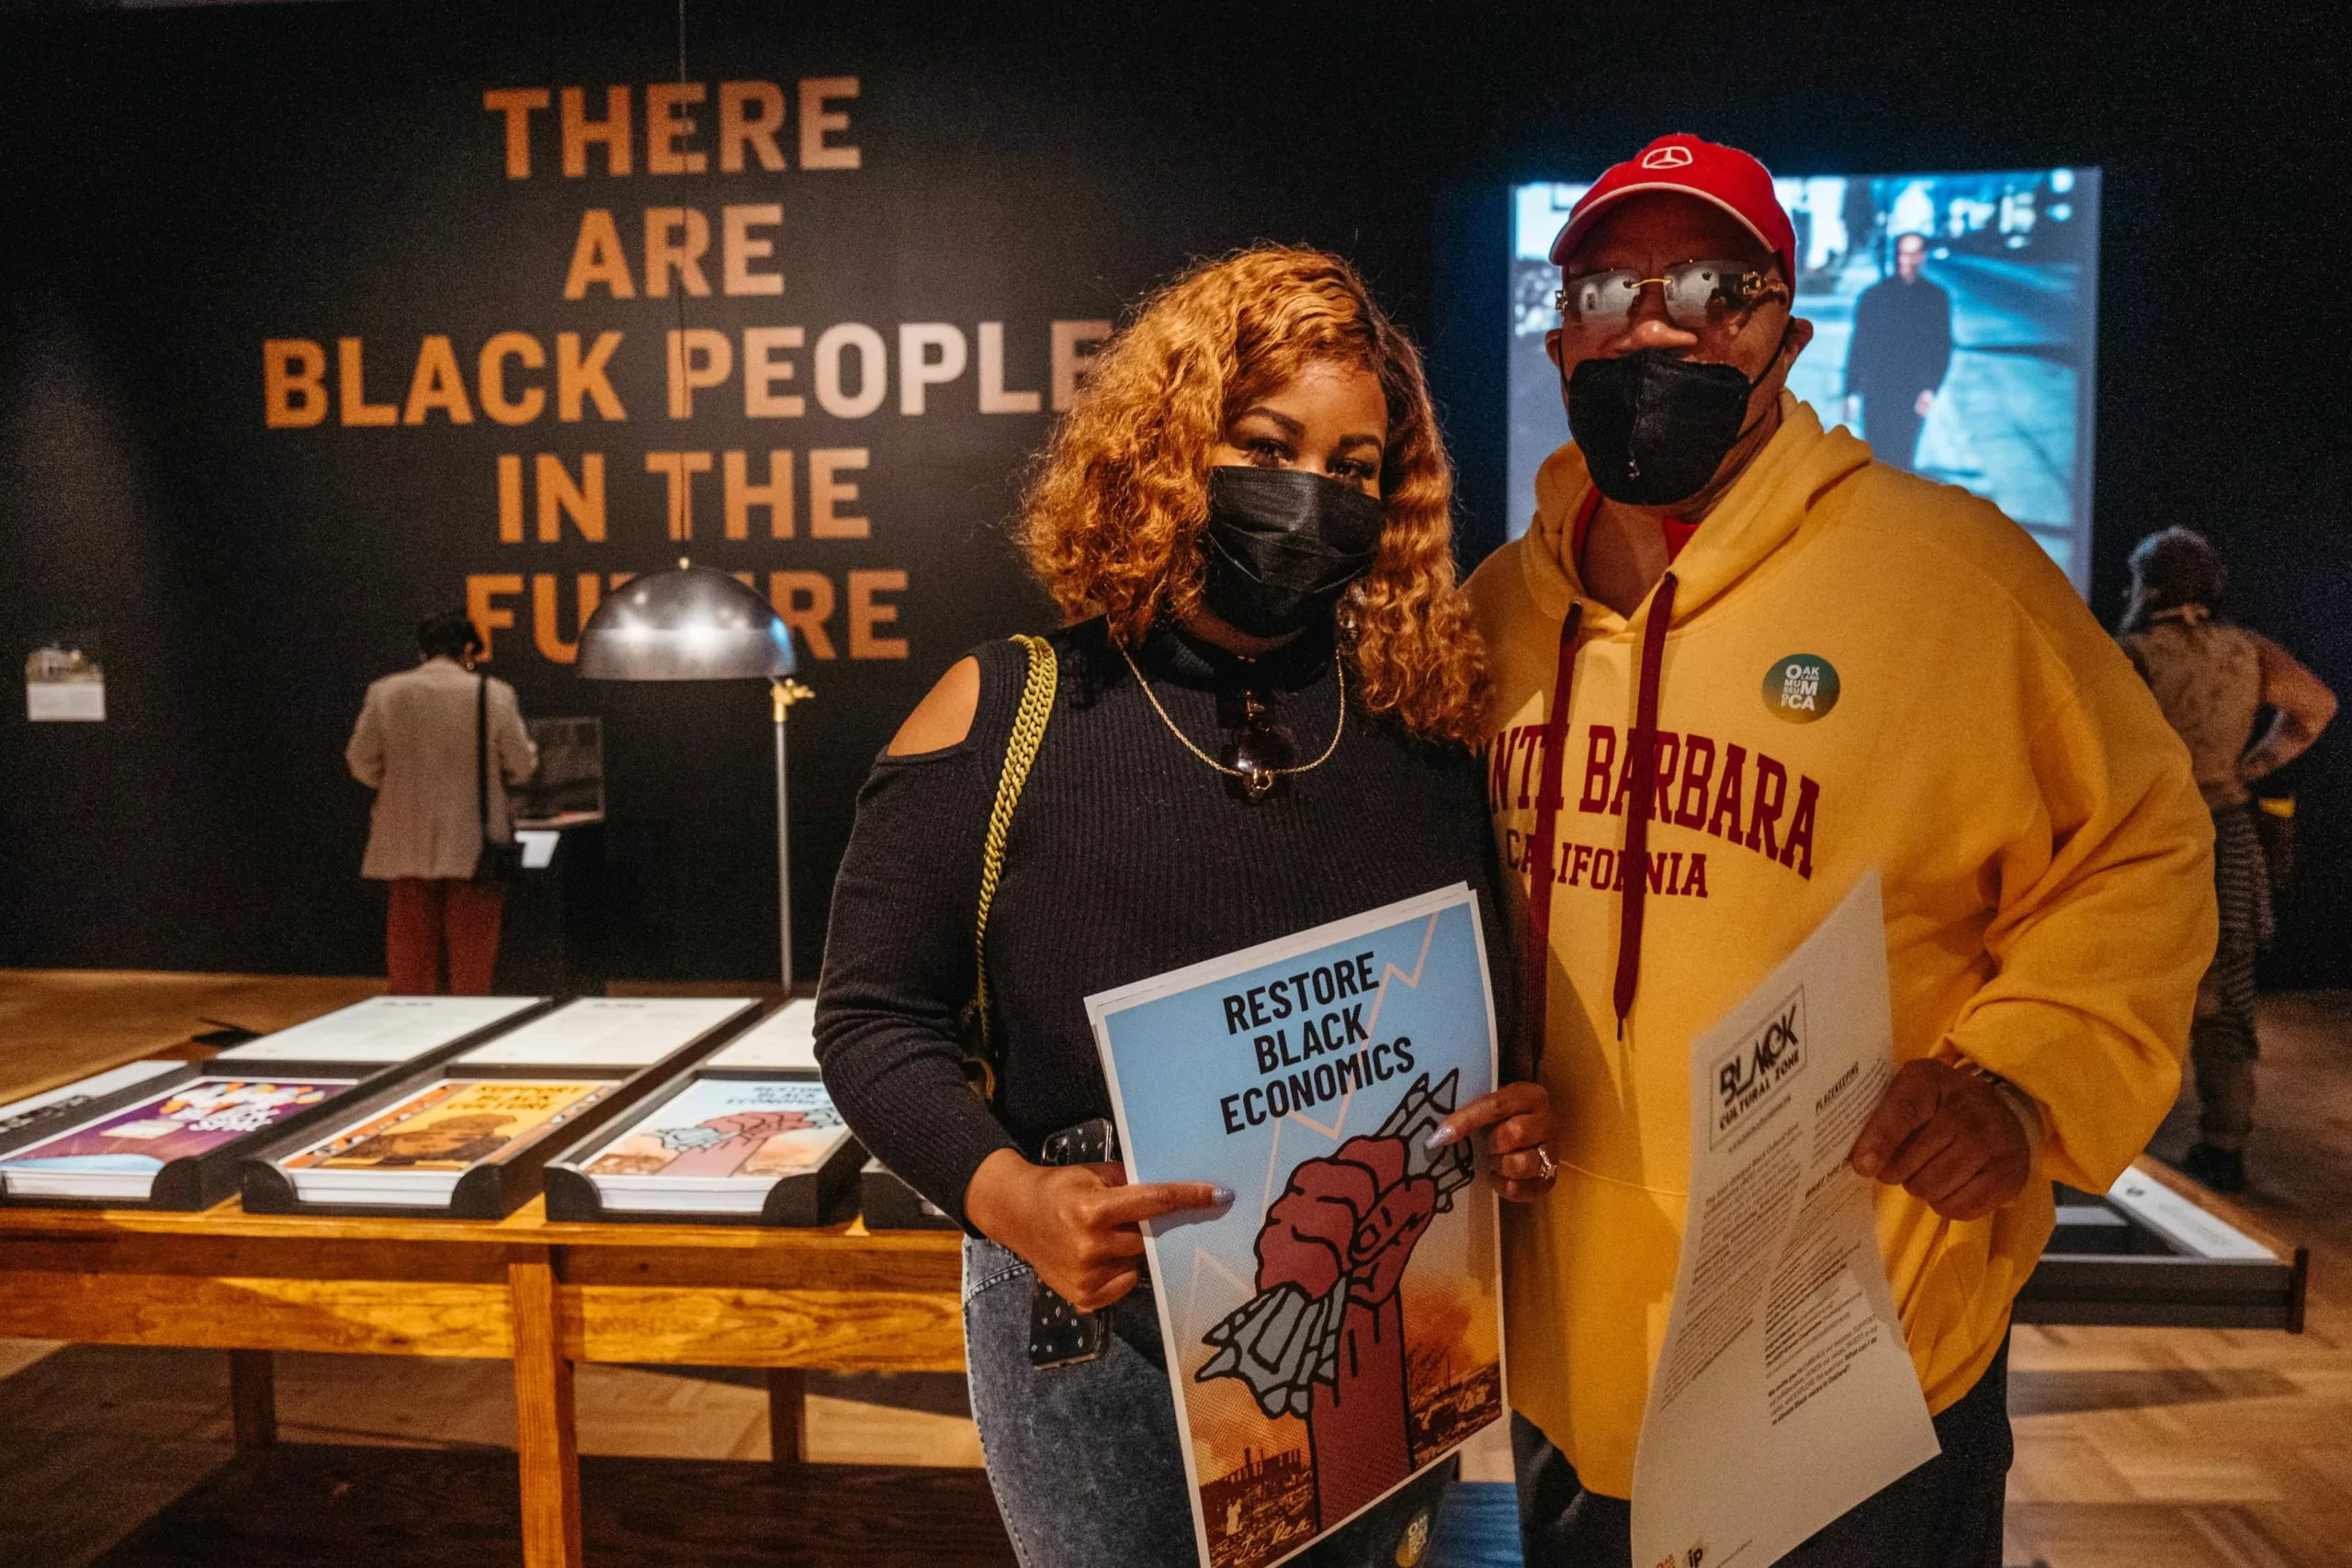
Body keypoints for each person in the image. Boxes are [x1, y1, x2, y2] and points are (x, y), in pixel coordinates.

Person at [1468, 133, 2214, 1566]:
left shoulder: (1954, 575)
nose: (1660, 319)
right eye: (1611, 281)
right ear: (1560, 331)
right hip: (1569, 1349)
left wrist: (2019, 1079)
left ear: (1786, 330)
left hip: (1850, 1346)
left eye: (1712, 282)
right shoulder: (1501, 609)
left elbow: (2143, 838)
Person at [814, 246, 1556, 1568]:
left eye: (1357, 470)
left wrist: (1508, 1117)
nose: (1313, 495)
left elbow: (1485, 1014)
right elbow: (872, 1017)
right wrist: (1007, 1193)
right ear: (1170, 449)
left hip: (1377, 1308)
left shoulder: (1424, 736)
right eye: (1270, 443)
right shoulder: (1006, 712)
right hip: (1093, 1323)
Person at [2118, 526, 2337, 1192]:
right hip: (2229, 832)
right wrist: (2255, 763)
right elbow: (2317, 706)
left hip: (2152, 837)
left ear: (2149, 586)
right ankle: (2224, 1143)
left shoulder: (2132, 654)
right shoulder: (2249, 651)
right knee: (2226, 995)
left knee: (2128, 988)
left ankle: (2113, 1134)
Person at [345, 610, 537, 995]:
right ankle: (466, 1031)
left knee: (409, 955)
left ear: (422, 650)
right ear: (469, 649)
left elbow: (360, 760)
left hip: (405, 836)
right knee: (472, 960)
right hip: (475, 841)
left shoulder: (386, 691)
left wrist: (396, 784)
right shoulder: (492, 693)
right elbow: (522, 764)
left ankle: (413, 1036)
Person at [1843, 231, 1952, 472]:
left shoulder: (1936, 298)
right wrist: (1850, 391)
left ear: (1923, 257)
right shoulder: (1873, 296)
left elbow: (1942, 347)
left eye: (1913, 254)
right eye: (1902, 254)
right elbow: (1859, 345)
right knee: (1876, 458)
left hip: (1912, 392)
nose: (1907, 261)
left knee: (1903, 458)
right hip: (1876, 391)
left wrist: (1930, 389)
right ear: (1894, 257)